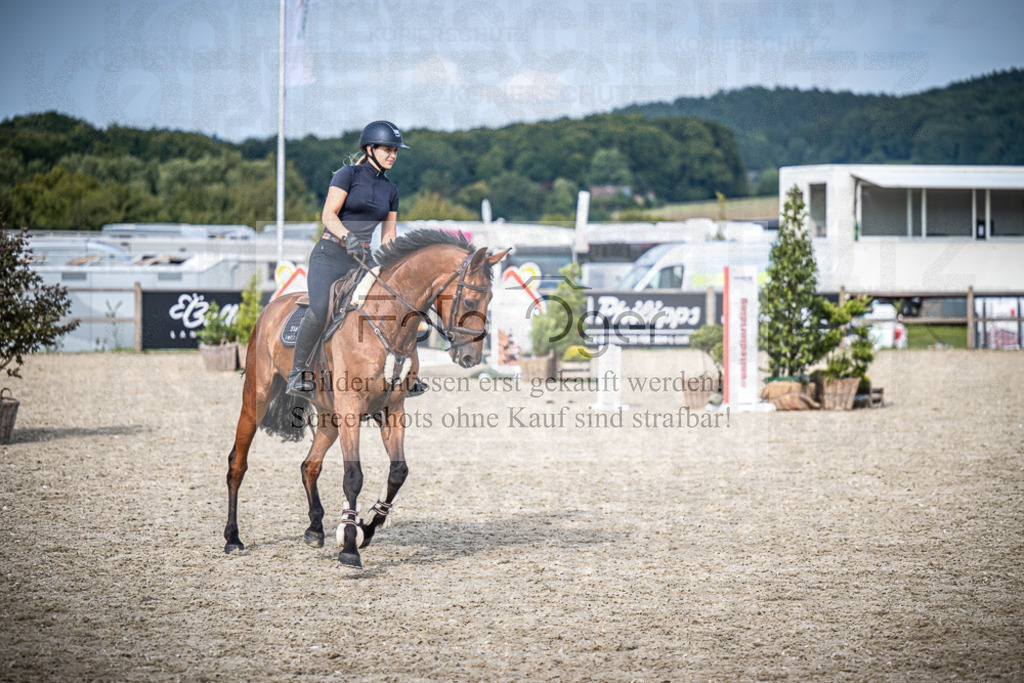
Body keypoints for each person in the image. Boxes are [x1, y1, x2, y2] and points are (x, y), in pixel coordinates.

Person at [286, 120, 413, 400]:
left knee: (393, 304)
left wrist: (394, 264)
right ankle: (297, 373)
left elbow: (389, 235)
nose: (393, 155)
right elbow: (328, 215)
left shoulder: (391, 190)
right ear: (369, 148)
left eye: (396, 151)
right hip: (330, 254)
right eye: (388, 149)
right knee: (320, 308)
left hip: (363, 259)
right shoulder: (347, 175)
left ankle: (405, 373)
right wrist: (346, 237)